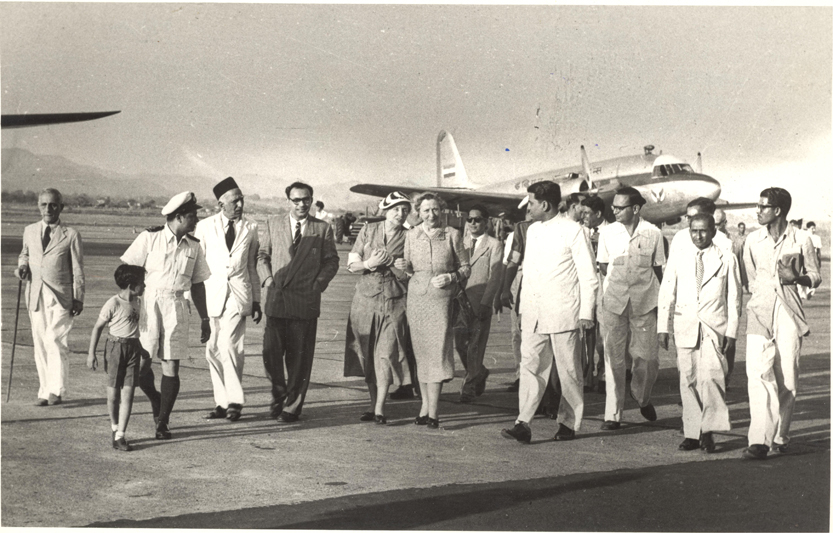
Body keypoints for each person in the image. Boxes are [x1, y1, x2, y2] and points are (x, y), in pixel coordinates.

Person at [501, 181, 598, 443]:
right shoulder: (531, 230)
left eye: (531, 203)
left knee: (568, 372)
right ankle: (523, 422)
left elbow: (589, 275)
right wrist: (523, 309)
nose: (528, 207)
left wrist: (586, 313)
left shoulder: (574, 230)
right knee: (531, 367)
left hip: (564, 313)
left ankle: (568, 423)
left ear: (545, 204)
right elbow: (530, 274)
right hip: (533, 314)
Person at [121, 191, 212, 440]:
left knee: (171, 365)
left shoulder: (194, 246)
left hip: (177, 307)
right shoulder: (150, 238)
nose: (196, 221)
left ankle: (163, 421)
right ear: (179, 217)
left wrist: (205, 319)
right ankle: (157, 399)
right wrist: (126, 306)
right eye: (193, 216)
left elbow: (198, 284)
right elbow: (126, 272)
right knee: (141, 365)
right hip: (148, 306)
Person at [741, 188, 821, 460]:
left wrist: (796, 279)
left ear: (777, 210)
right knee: (758, 375)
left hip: (789, 312)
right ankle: (759, 440)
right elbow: (750, 277)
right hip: (759, 311)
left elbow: (815, 275)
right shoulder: (752, 240)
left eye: (763, 207)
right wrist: (762, 297)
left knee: (787, 377)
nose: (758, 211)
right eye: (758, 205)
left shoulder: (801, 239)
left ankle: (780, 436)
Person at [257, 181, 339, 424]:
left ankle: (292, 406)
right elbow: (263, 255)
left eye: (306, 199)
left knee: (300, 359)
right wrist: (268, 280)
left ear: (311, 200)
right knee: (271, 355)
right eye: (297, 200)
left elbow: (331, 261)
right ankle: (279, 393)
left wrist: (317, 284)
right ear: (288, 201)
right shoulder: (273, 224)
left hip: (305, 302)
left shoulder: (322, 228)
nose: (302, 204)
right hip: (276, 299)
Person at [658, 214, 741, 453]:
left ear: (714, 231)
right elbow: (666, 292)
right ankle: (692, 433)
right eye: (694, 230)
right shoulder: (680, 257)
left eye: (704, 231)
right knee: (688, 379)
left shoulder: (727, 258)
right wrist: (662, 327)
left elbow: (734, 299)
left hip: (715, 328)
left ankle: (708, 430)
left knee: (712, 377)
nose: (698, 235)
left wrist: (732, 332)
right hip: (685, 325)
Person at [396, 192, 470, 429]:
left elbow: (466, 268)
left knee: (437, 352)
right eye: (426, 210)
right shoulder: (411, 235)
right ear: (418, 212)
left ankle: (434, 412)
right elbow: (407, 269)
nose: (431, 214)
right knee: (422, 353)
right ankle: (424, 408)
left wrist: (451, 276)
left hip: (441, 300)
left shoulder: (453, 235)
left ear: (442, 210)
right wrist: (403, 266)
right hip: (417, 298)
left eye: (435, 209)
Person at [194, 177, 262, 422]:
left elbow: (252, 267)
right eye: (235, 200)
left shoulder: (251, 228)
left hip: (238, 294)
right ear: (220, 203)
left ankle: (234, 401)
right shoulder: (204, 227)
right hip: (212, 295)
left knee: (229, 345)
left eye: (242, 199)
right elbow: (197, 264)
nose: (240, 204)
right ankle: (221, 402)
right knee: (212, 350)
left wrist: (256, 301)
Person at [597, 186, 666, 430]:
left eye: (619, 207)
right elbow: (605, 267)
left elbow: (659, 270)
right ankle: (612, 415)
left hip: (645, 303)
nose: (614, 210)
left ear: (635, 209)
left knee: (647, 359)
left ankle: (642, 397)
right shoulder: (607, 234)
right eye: (613, 206)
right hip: (614, 303)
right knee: (613, 359)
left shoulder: (653, 233)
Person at [343, 191, 414, 424]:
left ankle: (381, 408)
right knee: (367, 355)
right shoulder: (368, 230)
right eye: (396, 209)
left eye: (404, 209)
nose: (400, 213)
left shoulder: (410, 236)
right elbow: (351, 265)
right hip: (364, 300)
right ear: (385, 210)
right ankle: (373, 405)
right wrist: (369, 263)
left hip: (394, 302)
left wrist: (396, 265)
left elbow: (411, 274)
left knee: (385, 354)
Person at [15, 188, 85, 406]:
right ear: (38, 206)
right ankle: (44, 391)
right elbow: (25, 253)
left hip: (62, 296)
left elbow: (78, 269)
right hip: (35, 293)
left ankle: (57, 389)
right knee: (40, 342)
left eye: (53, 204)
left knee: (54, 339)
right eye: (44, 204)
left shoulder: (71, 234)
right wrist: (22, 267)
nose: (48, 209)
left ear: (61, 207)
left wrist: (78, 297)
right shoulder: (29, 230)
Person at [87, 265, 147, 452]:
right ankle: (114, 427)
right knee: (113, 396)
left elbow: (133, 329)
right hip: (115, 349)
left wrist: (141, 349)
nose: (144, 286)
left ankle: (121, 435)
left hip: (133, 349)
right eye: (141, 283)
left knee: (128, 393)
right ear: (131, 285)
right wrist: (91, 354)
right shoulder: (113, 303)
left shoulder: (138, 302)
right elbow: (97, 328)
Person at [454, 205, 504, 403]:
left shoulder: (494, 244)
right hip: (459, 301)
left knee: (476, 345)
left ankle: (470, 386)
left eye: (478, 220)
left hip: (480, 301)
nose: (473, 223)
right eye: (470, 219)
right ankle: (479, 372)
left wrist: (486, 302)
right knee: (460, 344)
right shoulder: (460, 242)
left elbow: (495, 277)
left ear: (486, 222)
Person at [581, 195, 609, 393]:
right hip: (585, 284)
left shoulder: (613, 231)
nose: (583, 217)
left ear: (598, 214)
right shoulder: (580, 232)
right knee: (585, 331)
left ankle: (604, 373)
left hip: (605, 283)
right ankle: (586, 374)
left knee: (605, 333)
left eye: (587, 213)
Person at [805, 221, 822, 298]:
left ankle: (811, 289)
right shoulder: (804, 236)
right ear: (808, 228)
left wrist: (819, 260)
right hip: (806, 255)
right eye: (812, 228)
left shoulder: (817, 238)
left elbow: (818, 250)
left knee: (815, 273)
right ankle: (806, 290)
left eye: (814, 228)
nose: (814, 230)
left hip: (814, 256)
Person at [731, 222, 749, 293]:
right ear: (738, 228)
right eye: (741, 228)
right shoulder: (735, 238)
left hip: (744, 258)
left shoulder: (746, 237)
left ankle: (745, 286)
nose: (743, 229)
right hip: (737, 257)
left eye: (744, 228)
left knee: (744, 271)